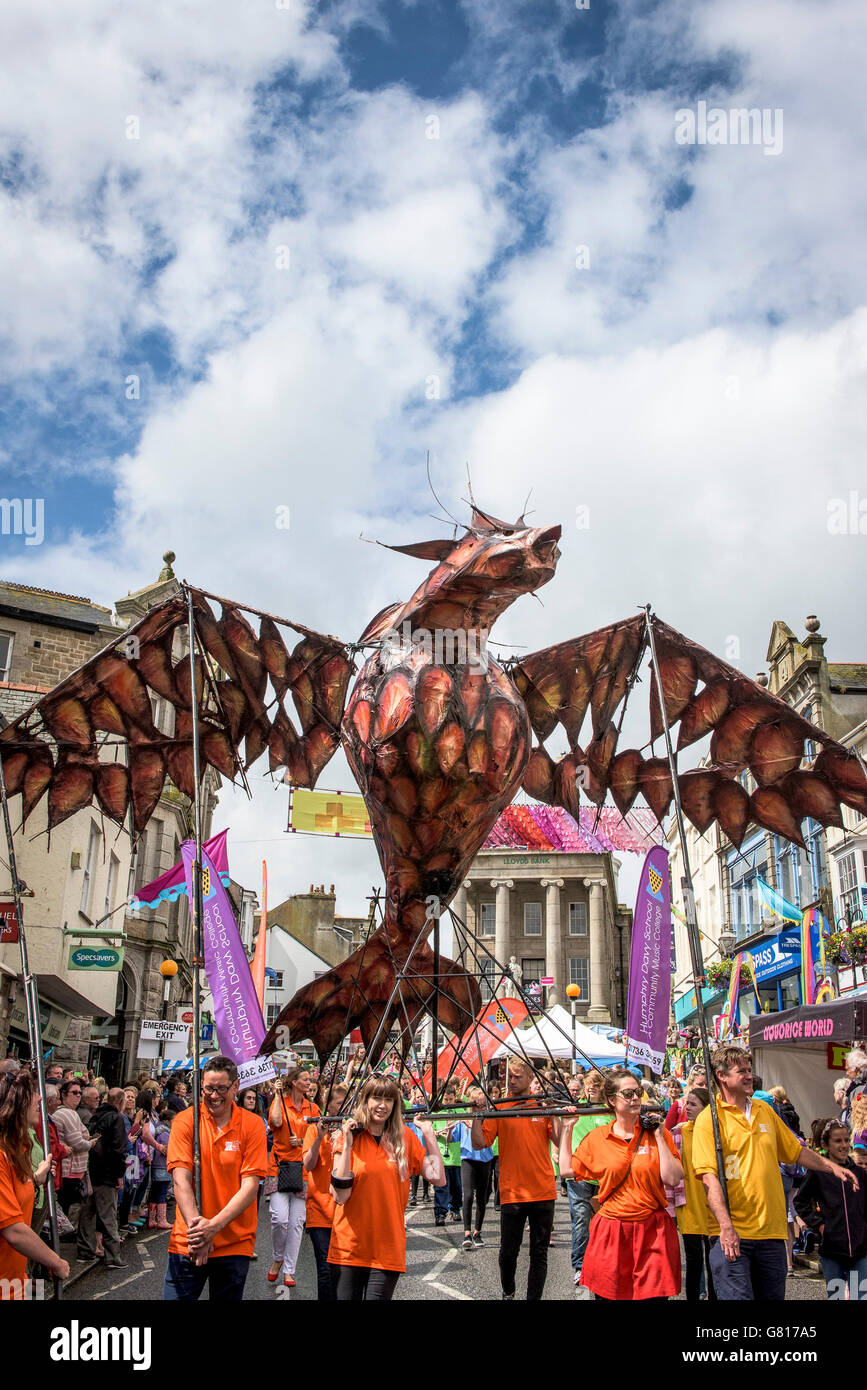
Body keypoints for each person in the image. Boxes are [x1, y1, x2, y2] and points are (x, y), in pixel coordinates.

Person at [692, 1045, 859, 1301]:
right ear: (721, 1076)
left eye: (750, 1070)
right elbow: (709, 1179)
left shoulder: (765, 1110)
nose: (750, 1076)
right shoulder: (709, 1120)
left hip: (772, 1234)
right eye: (741, 1071)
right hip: (733, 1233)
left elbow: (795, 1151)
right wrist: (725, 1227)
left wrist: (832, 1166)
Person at [559, 1070, 683, 1301]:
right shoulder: (598, 1138)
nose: (636, 1098)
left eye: (638, 1092)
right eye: (628, 1093)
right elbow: (566, 1169)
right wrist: (567, 1128)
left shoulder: (657, 1133)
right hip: (613, 1232)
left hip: (652, 1232)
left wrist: (658, 1136)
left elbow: (673, 1179)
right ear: (612, 1101)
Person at [328, 1076, 444, 1300]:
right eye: (377, 1098)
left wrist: (429, 1136)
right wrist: (348, 1143)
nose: (382, 1105)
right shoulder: (348, 1137)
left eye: (389, 1100)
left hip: (387, 1248)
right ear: (365, 1101)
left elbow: (438, 1178)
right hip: (349, 1248)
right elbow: (340, 1196)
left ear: (396, 1105)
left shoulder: (405, 1138)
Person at [163, 1056, 268, 1302]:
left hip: (233, 1243)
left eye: (221, 1088)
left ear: (235, 1087)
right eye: (208, 1088)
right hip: (188, 1240)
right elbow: (180, 1180)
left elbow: (250, 1186)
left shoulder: (252, 1125)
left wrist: (214, 1227)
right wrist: (200, 1234)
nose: (213, 1095)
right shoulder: (186, 1120)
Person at [471, 1057, 563, 1301]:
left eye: (516, 1077)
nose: (510, 1081)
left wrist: (555, 1113)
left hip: (543, 1191)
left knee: (539, 1253)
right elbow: (480, 1143)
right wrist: (476, 1117)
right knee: (508, 1252)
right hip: (513, 1191)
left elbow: (560, 1141)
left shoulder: (541, 1105)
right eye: (508, 1076)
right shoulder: (500, 1107)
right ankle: (508, 1290)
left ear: (531, 1078)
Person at [0, 1070, 70, 1298]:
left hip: (16, 1281)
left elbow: (15, 1187)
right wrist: (55, 1261)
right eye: (32, 1093)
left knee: (35, 1291)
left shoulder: (16, 1149)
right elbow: (13, 1231)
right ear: (15, 1103)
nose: (40, 1099)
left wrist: (35, 1179)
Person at [793, 1119, 867, 1300]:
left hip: (859, 1250)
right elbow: (800, 1201)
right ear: (825, 1144)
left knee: (860, 1297)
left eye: (846, 1140)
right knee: (837, 1297)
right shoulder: (818, 1172)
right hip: (832, 1250)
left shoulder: (859, 1172)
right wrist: (819, 1225)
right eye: (837, 1141)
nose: (843, 1145)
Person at [267, 1066, 320, 1288]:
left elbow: (318, 1134)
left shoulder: (313, 1108)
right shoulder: (281, 1101)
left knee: (297, 1223)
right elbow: (276, 1123)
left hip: (303, 1170)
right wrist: (278, 1095)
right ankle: (278, 1257)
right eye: (305, 1079)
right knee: (280, 1219)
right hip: (278, 1168)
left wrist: (304, 1141)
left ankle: (289, 1269)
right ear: (294, 1082)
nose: (309, 1083)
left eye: (310, 1080)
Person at [562, 1069, 609, 1288]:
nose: (592, 1087)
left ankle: (603, 1264)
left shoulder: (611, 1111)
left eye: (596, 1084)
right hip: (579, 1175)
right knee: (580, 1221)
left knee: (604, 1224)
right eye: (589, 1084)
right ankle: (579, 1266)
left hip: (605, 1177)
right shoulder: (577, 1108)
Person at [302, 1082, 348, 1300]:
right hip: (319, 1211)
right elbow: (308, 1165)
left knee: (344, 1269)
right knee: (325, 1269)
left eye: (345, 1103)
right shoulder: (313, 1129)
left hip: (346, 1212)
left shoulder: (350, 1131)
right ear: (328, 1106)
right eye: (338, 1104)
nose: (342, 1107)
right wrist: (320, 1137)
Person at [77, 1086, 128, 1269]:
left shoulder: (95, 1116)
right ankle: (113, 1256)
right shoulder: (116, 1119)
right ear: (121, 1101)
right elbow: (119, 1150)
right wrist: (119, 1175)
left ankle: (85, 1250)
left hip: (89, 1170)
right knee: (108, 1214)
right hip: (107, 1174)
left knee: (87, 1213)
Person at [674, 1087, 716, 1301]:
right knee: (693, 1261)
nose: (687, 1108)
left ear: (706, 1108)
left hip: (713, 1205)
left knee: (714, 1262)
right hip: (689, 1204)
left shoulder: (716, 1132)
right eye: (686, 1104)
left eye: (693, 1104)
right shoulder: (679, 1132)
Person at [449, 1086, 494, 1250]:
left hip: (485, 1158)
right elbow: (452, 1138)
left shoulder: (488, 1117)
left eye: (480, 1102)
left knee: (482, 1197)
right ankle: (467, 1232)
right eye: (475, 1102)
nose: (478, 1105)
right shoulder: (465, 1117)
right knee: (467, 1195)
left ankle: (477, 1232)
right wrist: (451, 1127)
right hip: (467, 1158)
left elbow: (490, 1136)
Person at [52, 1077, 98, 1221]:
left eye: (80, 1092)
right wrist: (91, 1143)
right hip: (70, 1169)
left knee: (68, 1205)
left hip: (72, 1168)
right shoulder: (67, 1113)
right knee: (69, 1205)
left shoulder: (70, 1113)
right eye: (74, 1092)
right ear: (64, 1094)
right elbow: (77, 1143)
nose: (78, 1095)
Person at [432, 1083, 462, 1226]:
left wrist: (452, 1130)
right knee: (441, 1187)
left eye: (450, 1099)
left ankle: (455, 1209)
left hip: (456, 1157)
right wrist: (437, 1133)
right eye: (445, 1099)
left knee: (456, 1187)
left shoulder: (460, 1112)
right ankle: (440, 1213)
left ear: (455, 1098)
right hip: (441, 1156)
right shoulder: (437, 1114)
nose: (448, 1102)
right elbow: (429, 1131)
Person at [146, 1104, 173, 1230]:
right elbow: (168, 1150)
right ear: (168, 1121)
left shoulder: (158, 1130)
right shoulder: (165, 1134)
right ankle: (161, 1220)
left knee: (154, 1192)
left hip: (157, 1166)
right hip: (163, 1166)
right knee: (161, 1193)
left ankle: (152, 1219)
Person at [842, 1049, 867, 1126]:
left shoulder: (859, 1088)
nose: (846, 1073)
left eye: (847, 1069)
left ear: (856, 1069)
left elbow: (854, 1121)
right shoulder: (855, 1087)